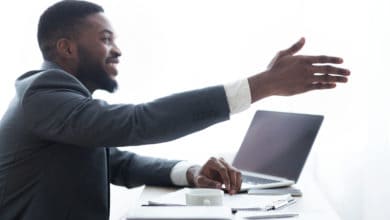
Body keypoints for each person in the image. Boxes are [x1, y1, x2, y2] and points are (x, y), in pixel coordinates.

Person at [0, 1, 350, 220]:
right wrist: (261, 86)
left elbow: (117, 163)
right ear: (66, 48)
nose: (117, 50)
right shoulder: (42, 93)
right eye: (106, 38)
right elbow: (138, 122)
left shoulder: (63, 105)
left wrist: (191, 172)